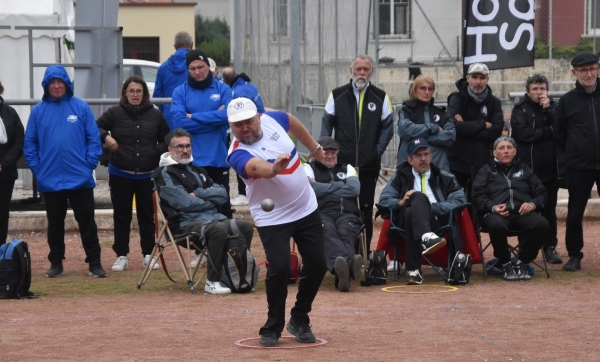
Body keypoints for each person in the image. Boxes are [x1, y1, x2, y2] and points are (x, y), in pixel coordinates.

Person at [226, 97, 327, 347]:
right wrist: (274, 169)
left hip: (305, 207)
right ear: (231, 127)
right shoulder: (236, 153)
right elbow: (257, 168)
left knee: (318, 263)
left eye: (248, 121)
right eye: (238, 125)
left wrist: (314, 147)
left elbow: (292, 121)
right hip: (272, 217)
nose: (244, 128)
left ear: (258, 117)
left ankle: (300, 318)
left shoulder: (273, 120)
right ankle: (273, 326)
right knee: (280, 269)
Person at [23, 65, 106, 277]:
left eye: (60, 82)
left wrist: (88, 164)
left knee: (87, 220)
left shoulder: (81, 107)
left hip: (80, 177)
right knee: (55, 223)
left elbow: (93, 139)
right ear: (46, 86)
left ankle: (95, 262)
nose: (57, 86)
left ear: (67, 84)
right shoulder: (38, 111)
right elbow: (30, 143)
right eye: (53, 83)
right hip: (49, 179)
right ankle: (56, 262)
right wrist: (38, 169)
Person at [153, 128, 254, 295]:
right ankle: (212, 281)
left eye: (188, 146)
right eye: (180, 147)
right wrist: (209, 199)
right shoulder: (163, 173)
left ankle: (237, 275)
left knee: (244, 226)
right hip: (184, 225)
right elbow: (184, 202)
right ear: (170, 149)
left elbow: (223, 195)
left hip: (213, 219)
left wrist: (198, 194)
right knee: (218, 229)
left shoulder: (198, 170)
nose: (185, 150)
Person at [96, 76, 170, 272]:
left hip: (147, 174)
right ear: (125, 93)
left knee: (147, 216)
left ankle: (148, 254)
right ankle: (121, 255)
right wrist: (106, 136)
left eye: (138, 91)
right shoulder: (114, 112)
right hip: (120, 172)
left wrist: (155, 152)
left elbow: (167, 138)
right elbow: (96, 126)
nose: (135, 94)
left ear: (144, 93)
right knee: (122, 215)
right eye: (131, 91)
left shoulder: (155, 115)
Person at [320, 54, 394, 248]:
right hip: (343, 165)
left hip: (369, 165)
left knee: (366, 209)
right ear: (351, 70)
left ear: (372, 72)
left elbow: (388, 127)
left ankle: (364, 254)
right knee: (344, 207)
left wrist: (376, 151)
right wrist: (326, 153)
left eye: (366, 69)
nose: (362, 73)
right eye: (358, 69)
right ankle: (345, 252)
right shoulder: (336, 95)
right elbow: (326, 127)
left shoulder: (381, 97)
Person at [378, 138, 466, 285]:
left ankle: (414, 271)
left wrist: (431, 207)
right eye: (418, 156)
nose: (423, 158)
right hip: (405, 222)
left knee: (411, 211)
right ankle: (426, 237)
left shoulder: (444, 177)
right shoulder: (401, 176)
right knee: (414, 202)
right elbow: (384, 200)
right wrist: (401, 202)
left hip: (436, 219)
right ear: (410, 160)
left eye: (426, 154)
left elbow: (460, 201)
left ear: (431, 158)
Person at [472, 136, 548, 281]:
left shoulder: (525, 170)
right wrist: (492, 207)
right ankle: (505, 263)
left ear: (515, 151)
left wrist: (532, 204)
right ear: (494, 153)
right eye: (501, 148)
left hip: (522, 213)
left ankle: (522, 262)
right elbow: (477, 196)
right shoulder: (486, 171)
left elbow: (542, 194)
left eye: (509, 148)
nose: (506, 151)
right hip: (496, 214)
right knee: (496, 225)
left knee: (542, 224)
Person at [170, 49, 233, 218]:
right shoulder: (180, 92)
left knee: (223, 209)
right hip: (191, 162)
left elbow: (227, 115)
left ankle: (230, 245)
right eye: (193, 68)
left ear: (208, 66)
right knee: (195, 211)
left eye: (201, 67)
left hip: (218, 160)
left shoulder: (223, 89)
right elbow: (179, 122)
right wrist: (214, 121)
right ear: (188, 70)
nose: (197, 72)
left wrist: (194, 117)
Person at [554, 52, 600, 272]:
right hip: (579, 166)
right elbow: (559, 134)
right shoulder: (567, 100)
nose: (588, 74)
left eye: (592, 69)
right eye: (583, 70)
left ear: (598, 70)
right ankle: (574, 255)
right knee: (574, 213)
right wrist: (575, 152)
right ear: (574, 73)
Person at [511, 73, 563, 265]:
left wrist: (548, 109)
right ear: (528, 91)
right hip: (526, 171)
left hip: (550, 170)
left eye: (542, 89)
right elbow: (522, 134)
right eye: (535, 89)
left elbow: (559, 128)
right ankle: (526, 247)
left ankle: (550, 247)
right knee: (525, 210)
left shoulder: (554, 108)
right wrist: (546, 132)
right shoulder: (519, 109)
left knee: (549, 210)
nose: (539, 92)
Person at [303, 136, 364, 292]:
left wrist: (324, 189)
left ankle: (341, 270)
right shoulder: (308, 167)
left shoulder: (348, 168)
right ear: (318, 154)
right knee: (327, 231)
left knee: (346, 232)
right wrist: (338, 186)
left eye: (333, 153)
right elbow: (310, 189)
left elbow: (354, 190)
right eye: (326, 153)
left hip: (347, 213)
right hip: (320, 213)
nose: (330, 156)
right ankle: (348, 265)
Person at [447, 62, 503, 200]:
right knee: (457, 201)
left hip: (482, 163)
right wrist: (483, 124)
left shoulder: (494, 102)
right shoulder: (456, 99)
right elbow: (454, 126)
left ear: (487, 80)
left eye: (482, 78)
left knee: (479, 202)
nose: (478, 81)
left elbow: (496, 130)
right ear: (468, 78)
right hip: (458, 162)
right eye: (474, 77)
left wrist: (466, 126)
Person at [221, 66, 267, 207]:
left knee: (245, 158)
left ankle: (245, 193)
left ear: (225, 81)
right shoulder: (247, 85)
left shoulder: (239, 92)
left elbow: (239, 114)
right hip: (258, 125)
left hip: (250, 130)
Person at [397, 74, 455, 172]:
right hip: (409, 168)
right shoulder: (407, 110)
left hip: (437, 167)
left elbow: (450, 136)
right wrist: (434, 128)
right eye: (423, 88)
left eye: (430, 89)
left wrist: (419, 136)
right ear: (415, 90)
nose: (427, 92)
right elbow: (405, 131)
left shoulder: (440, 113)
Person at [153, 31, 193, 129]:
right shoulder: (197, 66)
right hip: (192, 116)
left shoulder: (163, 67)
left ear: (175, 46)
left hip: (169, 117)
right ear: (192, 45)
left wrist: (167, 109)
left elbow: (157, 96)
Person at [0, 81, 24, 246]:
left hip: (5, 173)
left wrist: (4, 163)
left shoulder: (11, 114)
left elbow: (19, 142)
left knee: (2, 215)